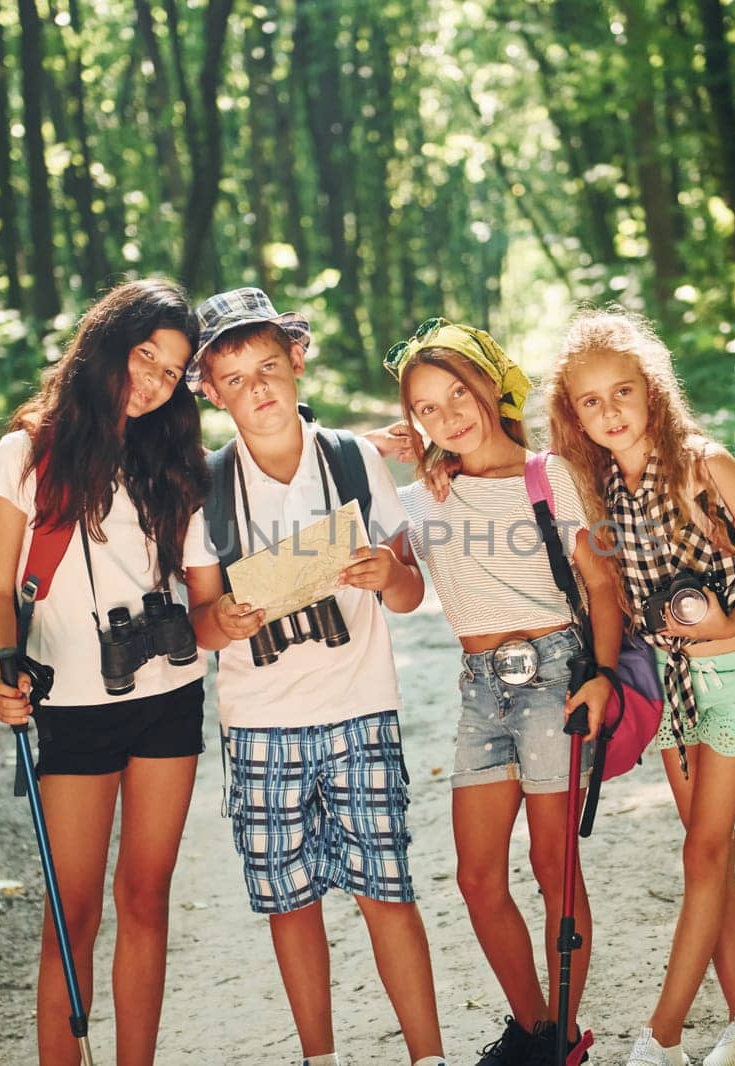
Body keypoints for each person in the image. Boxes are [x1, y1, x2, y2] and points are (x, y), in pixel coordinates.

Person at [181, 288, 447, 1066]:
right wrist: (222, 621)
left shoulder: (352, 460)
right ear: (211, 394)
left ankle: (427, 1057)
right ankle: (318, 1056)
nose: (257, 389)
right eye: (234, 379)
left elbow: (410, 593)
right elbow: (199, 622)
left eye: (269, 366)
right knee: (289, 902)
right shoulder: (203, 488)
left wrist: (382, 572)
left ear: (297, 360)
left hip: (360, 706)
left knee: (386, 890)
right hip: (259, 721)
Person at [545, 309, 735, 1066]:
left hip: (729, 673)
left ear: (651, 391)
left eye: (622, 392)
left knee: (705, 848)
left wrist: (732, 620)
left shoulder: (702, 464)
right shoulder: (601, 492)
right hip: (670, 681)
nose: (609, 413)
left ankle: (660, 1038)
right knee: (708, 855)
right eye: (589, 402)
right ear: (574, 414)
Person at [0, 278, 209, 1066]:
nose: (154, 380)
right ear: (108, 343)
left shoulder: (169, 452)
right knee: (70, 914)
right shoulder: (27, 452)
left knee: (146, 897)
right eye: (146, 356)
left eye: (173, 371)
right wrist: (1, 669)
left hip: (169, 698)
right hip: (72, 703)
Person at [385, 318, 622, 1066]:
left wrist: (604, 677)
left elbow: (601, 583)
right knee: (478, 876)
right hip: (480, 691)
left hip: (555, 677)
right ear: (413, 420)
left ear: (489, 388)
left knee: (555, 869)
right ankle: (535, 1029)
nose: (448, 414)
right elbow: (399, 586)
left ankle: (563, 1037)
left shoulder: (547, 475)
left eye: (457, 393)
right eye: (427, 407)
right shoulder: (423, 497)